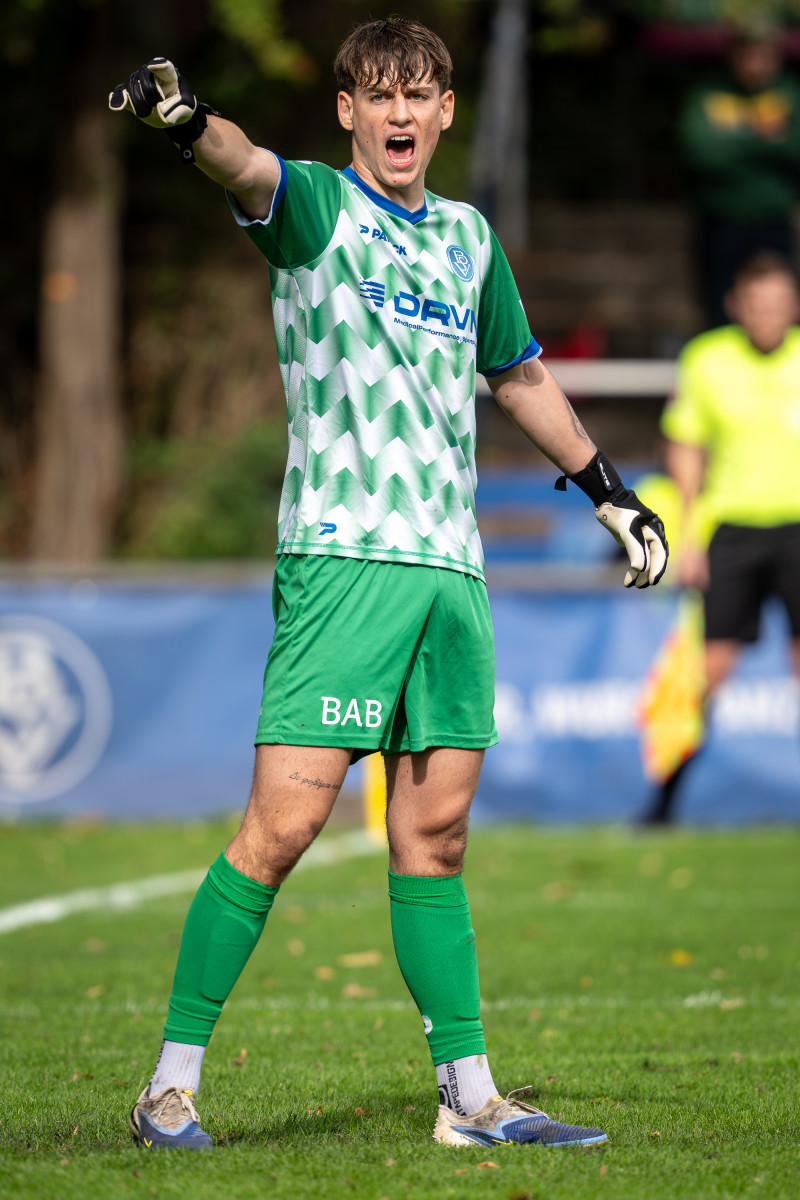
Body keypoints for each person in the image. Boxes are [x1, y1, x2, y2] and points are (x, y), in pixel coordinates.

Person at [109, 18, 667, 1151]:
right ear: (348, 111)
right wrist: (187, 123)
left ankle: (470, 1098)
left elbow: (517, 375)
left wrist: (608, 489)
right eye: (378, 94)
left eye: (418, 95)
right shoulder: (318, 207)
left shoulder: (468, 237)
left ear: (446, 111)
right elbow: (246, 165)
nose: (400, 113)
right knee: (281, 828)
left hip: (449, 569)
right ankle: (167, 1089)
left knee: (437, 838)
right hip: (343, 561)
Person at [643, 251, 800, 824]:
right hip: (732, 531)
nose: (767, 315)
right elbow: (686, 448)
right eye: (757, 305)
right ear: (737, 306)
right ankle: (664, 804)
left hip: (797, 529)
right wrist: (690, 536)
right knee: (706, 674)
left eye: (777, 305)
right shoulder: (707, 360)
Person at [678, 25, 800, 328]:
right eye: (748, 53)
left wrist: (733, 139)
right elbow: (702, 154)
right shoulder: (709, 93)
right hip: (721, 218)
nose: (755, 61)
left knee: (774, 300)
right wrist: (765, 138)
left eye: (764, 54)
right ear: (733, 56)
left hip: (773, 218)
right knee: (719, 305)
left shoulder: (789, 92)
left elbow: (794, 147)